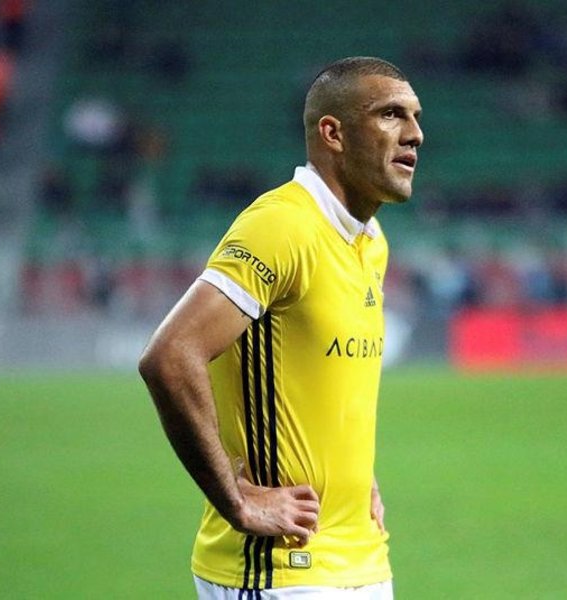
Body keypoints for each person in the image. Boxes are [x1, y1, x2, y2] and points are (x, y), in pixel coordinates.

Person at [138, 56, 423, 599]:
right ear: (333, 133)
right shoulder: (282, 225)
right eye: (391, 115)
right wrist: (236, 499)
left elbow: (323, 378)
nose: (415, 134)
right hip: (281, 569)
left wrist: (353, 478)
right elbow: (171, 356)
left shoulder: (370, 240)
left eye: (414, 117)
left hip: (363, 559)